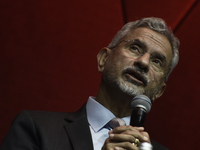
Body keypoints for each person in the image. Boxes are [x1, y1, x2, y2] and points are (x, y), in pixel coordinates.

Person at [0, 17, 179, 150]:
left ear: (159, 91)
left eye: (157, 61)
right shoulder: (35, 128)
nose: (144, 62)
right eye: (135, 48)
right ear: (103, 59)